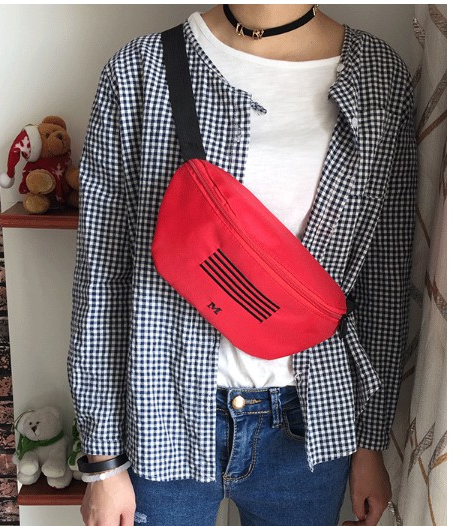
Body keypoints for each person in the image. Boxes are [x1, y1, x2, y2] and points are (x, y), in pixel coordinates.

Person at [68, 5, 417, 526]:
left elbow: (385, 279)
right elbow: (101, 276)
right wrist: (102, 463)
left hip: (310, 426)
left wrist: (369, 445)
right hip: (163, 413)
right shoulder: (140, 70)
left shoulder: (378, 78)